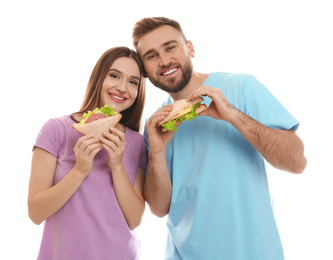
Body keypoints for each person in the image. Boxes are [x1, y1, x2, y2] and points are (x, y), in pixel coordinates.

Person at [132, 17, 307, 260]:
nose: (164, 61)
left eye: (170, 47)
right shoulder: (155, 123)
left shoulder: (241, 86)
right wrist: (157, 152)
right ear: (145, 71)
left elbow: (297, 161)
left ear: (190, 48)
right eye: (151, 56)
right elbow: (159, 209)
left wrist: (232, 115)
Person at [28, 47, 147, 260]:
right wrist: (80, 170)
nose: (122, 88)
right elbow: (36, 213)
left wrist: (117, 165)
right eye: (114, 75)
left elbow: (134, 219)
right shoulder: (56, 130)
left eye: (133, 82)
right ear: (99, 77)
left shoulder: (137, 142)